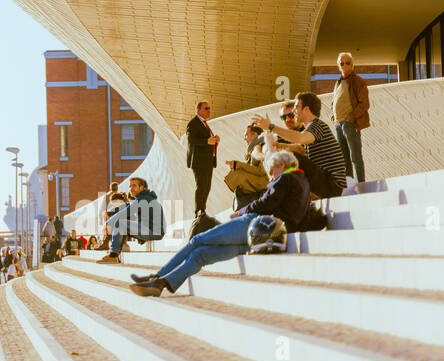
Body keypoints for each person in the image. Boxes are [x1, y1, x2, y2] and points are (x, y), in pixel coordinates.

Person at [131, 150, 310, 296]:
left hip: (254, 225)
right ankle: (161, 284)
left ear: (282, 165)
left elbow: (266, 202)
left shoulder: (285, 178)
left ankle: (157, 276)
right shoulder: (302, 182)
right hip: (263, 237)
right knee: (200, 255)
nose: (271, 178)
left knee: (197, 241)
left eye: (271, 172)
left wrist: (241, 211)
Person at [253, 93, 347, 199]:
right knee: (287, 156)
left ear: (306, 109)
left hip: (332, 185)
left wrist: (271, 126)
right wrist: (278, 145)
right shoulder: (311, 128)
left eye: (296, 107)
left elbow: (300, 138)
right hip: (327, 183)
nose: (294, 110)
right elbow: (300, 148)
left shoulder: (317, 126)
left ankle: (275, 194)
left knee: (290, 158)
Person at [96, 177, 167, 264]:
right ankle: (119, 248)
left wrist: (107, 223)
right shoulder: (146, 198)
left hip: (153, 232)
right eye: (130, 186)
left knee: (120, 223)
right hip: (154, 230)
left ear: (142, 188)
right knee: (122, 223)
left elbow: (126, 212)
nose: (131, 189)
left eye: (134, 186)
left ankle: (113, 255)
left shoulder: (143, 199)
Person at [333, 53, 371, 184]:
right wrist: (334, 115)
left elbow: (364, 104)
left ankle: (361, 184)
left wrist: (351, 118)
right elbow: (335, 100)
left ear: (352, 65)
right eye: (341, 63)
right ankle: (349, 185)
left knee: (355, 156)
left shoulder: (358, 81)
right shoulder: (338, 82)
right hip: (338, 123)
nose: (344, 65)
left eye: (347, 63)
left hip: (350, 123)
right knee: (344, 159)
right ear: (338, 66)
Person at [225, 124, 271, 210]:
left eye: (246, 135)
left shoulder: (261, 147)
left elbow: (262, 171)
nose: (245, 138)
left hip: (264, 182)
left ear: (255, 135)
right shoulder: (253, 148)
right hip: (260, 181)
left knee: (238, 174)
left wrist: (238, 165)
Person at [186, 100, 220, 214]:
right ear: (198, 110)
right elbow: (191, 140)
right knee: (201, 187)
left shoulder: (204, 123)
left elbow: (207, 141)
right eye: (206, 108)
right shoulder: (193, 123)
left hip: (208, 161)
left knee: (206, 187)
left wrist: (215, 140)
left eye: (209, 108)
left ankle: (203, 210)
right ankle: (199, 211)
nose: (208, 110)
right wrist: (207, 141)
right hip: (199, 162)